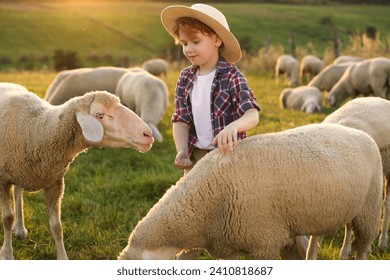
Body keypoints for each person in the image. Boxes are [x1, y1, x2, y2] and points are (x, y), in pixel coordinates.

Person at [161, 3, 261, 176]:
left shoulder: (232, 77)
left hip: (229, 154)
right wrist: (183, 151)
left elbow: (252, 114)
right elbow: (180, 119)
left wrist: (234, 127)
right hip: (196, 155)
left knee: (230, 198)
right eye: (184, 43)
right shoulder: (185, 78)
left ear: (217, 40)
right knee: (194, 199)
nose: (188, 49)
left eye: (196, 42)